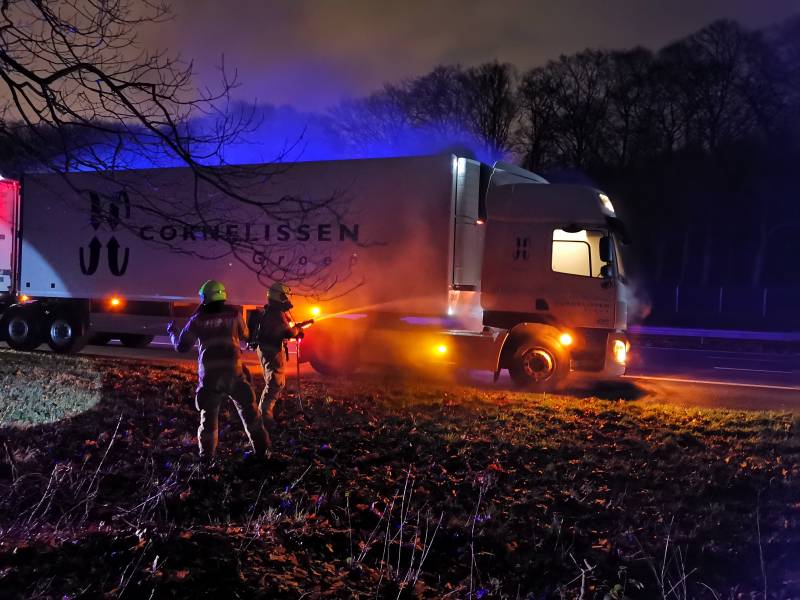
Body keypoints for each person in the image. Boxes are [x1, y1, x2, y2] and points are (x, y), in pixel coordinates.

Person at [167, 279, 270, 461]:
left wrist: (173, 332)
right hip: (234, 375)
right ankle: (263, 453)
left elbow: (181, 346)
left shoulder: (196, 320)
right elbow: (246, 335)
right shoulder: (234, 315)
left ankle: (206, 459)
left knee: (208, 420)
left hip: (210, 377)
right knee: (251, 414)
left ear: (204, 298)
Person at [249, 282, 306, 427]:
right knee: (275, 383)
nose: (288, 299)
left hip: (267, 349)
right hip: (271, 351)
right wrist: (298, 329)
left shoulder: (272, 311)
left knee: (276, 382)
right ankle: (265, 417)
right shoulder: (277, 314)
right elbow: (288, 332)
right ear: (280, 296)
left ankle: (267, 413)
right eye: (286, 296)